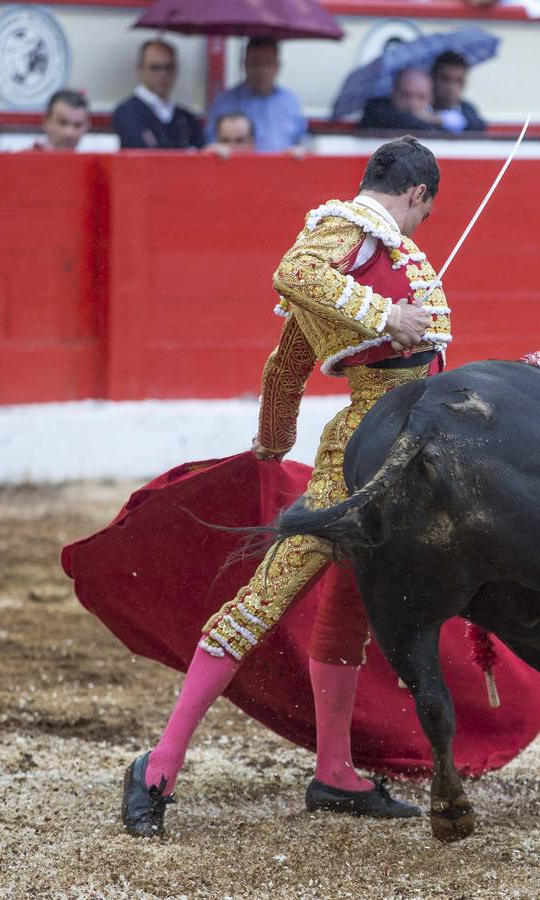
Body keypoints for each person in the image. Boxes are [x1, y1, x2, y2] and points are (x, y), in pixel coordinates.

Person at [120, 137, 452, 836]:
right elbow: (294, 271)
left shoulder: (371, 248)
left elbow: (286, 367)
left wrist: (271, 448)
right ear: (418, 194)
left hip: (412, 431)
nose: (421, 228)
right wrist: (388, 317)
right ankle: (158, 765)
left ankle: (334, 774)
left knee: (351, 608)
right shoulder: (351, 227)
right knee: (266, 597)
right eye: (425, 210)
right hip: (369, 439)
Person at [204, 37, 306, 153]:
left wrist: (299, 151)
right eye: (255, 63)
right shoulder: (224, 102)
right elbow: (210, 145)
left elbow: (302, 142)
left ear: (277, 66)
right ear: (244, 64)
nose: (261, 70)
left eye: (268, 63)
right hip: (238, 170)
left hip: (283, 170)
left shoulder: (290, 102)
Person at [113, 39, 204, 150]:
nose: (163, 74)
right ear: (140, 69)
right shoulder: (127, 112)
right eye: (155, 68)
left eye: (169, 68)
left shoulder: (186, 118)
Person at [359, 69, 435, 132]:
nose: (413, 103)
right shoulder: (375, 110)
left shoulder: (434, 121)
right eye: (406, 95)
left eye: (421, 97)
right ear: (393, 93)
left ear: (431, 99)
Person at [430, 51, 486, 133]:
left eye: (458, 81)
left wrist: (441, 120)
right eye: (445, 79)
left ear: (464, 84)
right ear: (433, 79)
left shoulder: (467, 109)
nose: (451, 87)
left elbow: (479, 125)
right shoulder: (422, 106)